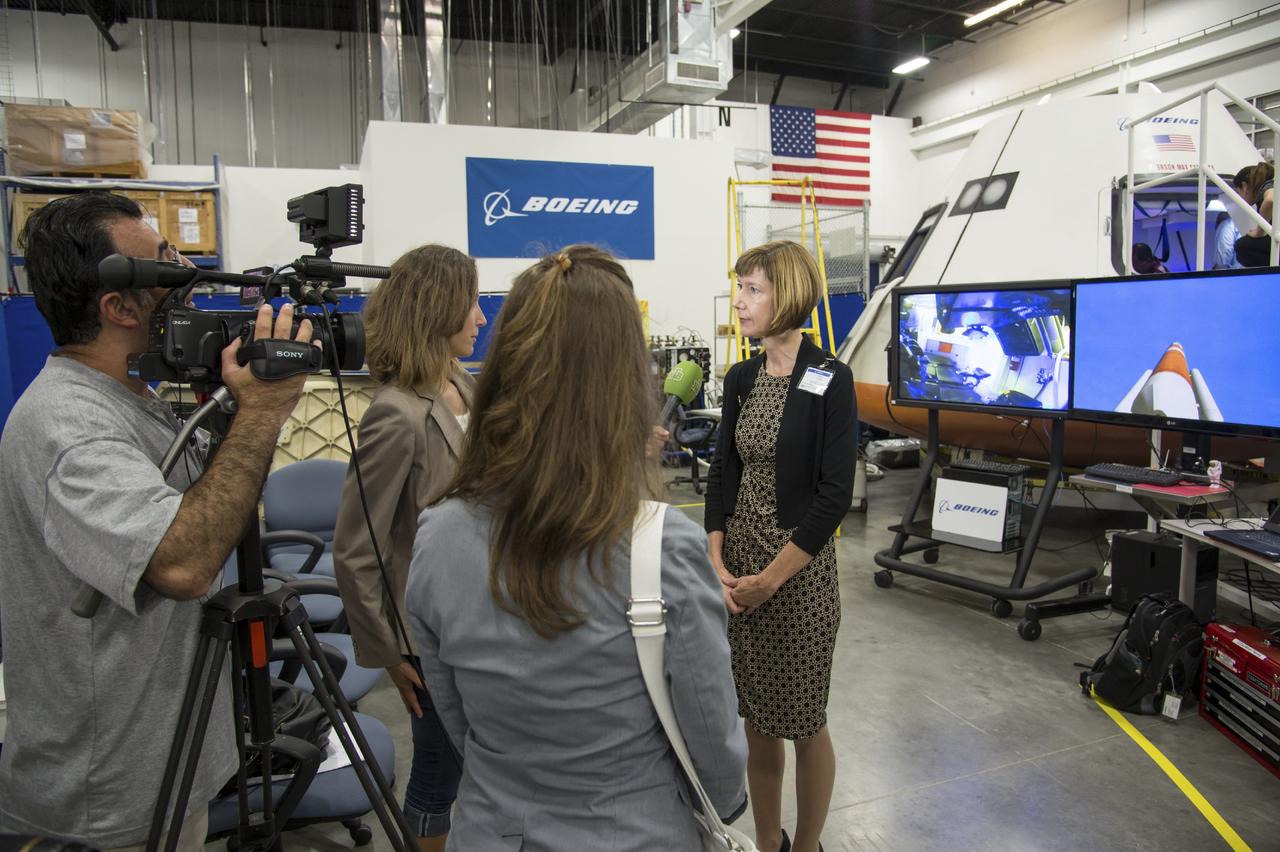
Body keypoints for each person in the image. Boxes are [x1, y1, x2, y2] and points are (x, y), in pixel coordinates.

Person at [405, 245, 747, 850]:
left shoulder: (437, 534)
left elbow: (456, 719)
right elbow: (712, 743)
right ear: (622, 384)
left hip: (491, 828)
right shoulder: (664, 546)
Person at [0, 193, 313, 849]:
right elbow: (183, 565)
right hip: (111, 797)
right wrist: (259, 417)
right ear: (119, 306)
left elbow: (216, 510)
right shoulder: (70, 427)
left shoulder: (132, 398)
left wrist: (232, 407)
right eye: (168, 270)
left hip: (166, 764)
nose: (189, 282)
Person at [331, 243, 485, 851]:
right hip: (427, 633)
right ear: (439, 307)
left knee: (470, 761)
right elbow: (356, 547)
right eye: (470, 303)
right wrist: (393, 653)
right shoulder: (395, 414)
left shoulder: (461, 385)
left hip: (477, 614)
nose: (479, 317)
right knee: (437, 770)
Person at [706, 240, 857, 852]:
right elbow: (722, 475)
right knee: (756, 722)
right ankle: (768, 842)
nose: (740, 301)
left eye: (753, 289)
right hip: (739, 578)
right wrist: (716, 563)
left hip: (797, 580)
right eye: (740, 287)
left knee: (803, 721)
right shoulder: (740, 377)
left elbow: (833, 494)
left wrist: (773, 575)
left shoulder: (828, 377)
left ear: (788, 294)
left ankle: (809, 844)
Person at [1234, 161, 1275, 267]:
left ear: (1244, 186)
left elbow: (1270, 200)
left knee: (1242, 246)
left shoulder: (1266, 187)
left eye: (1238, 192)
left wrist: (1260, 231)